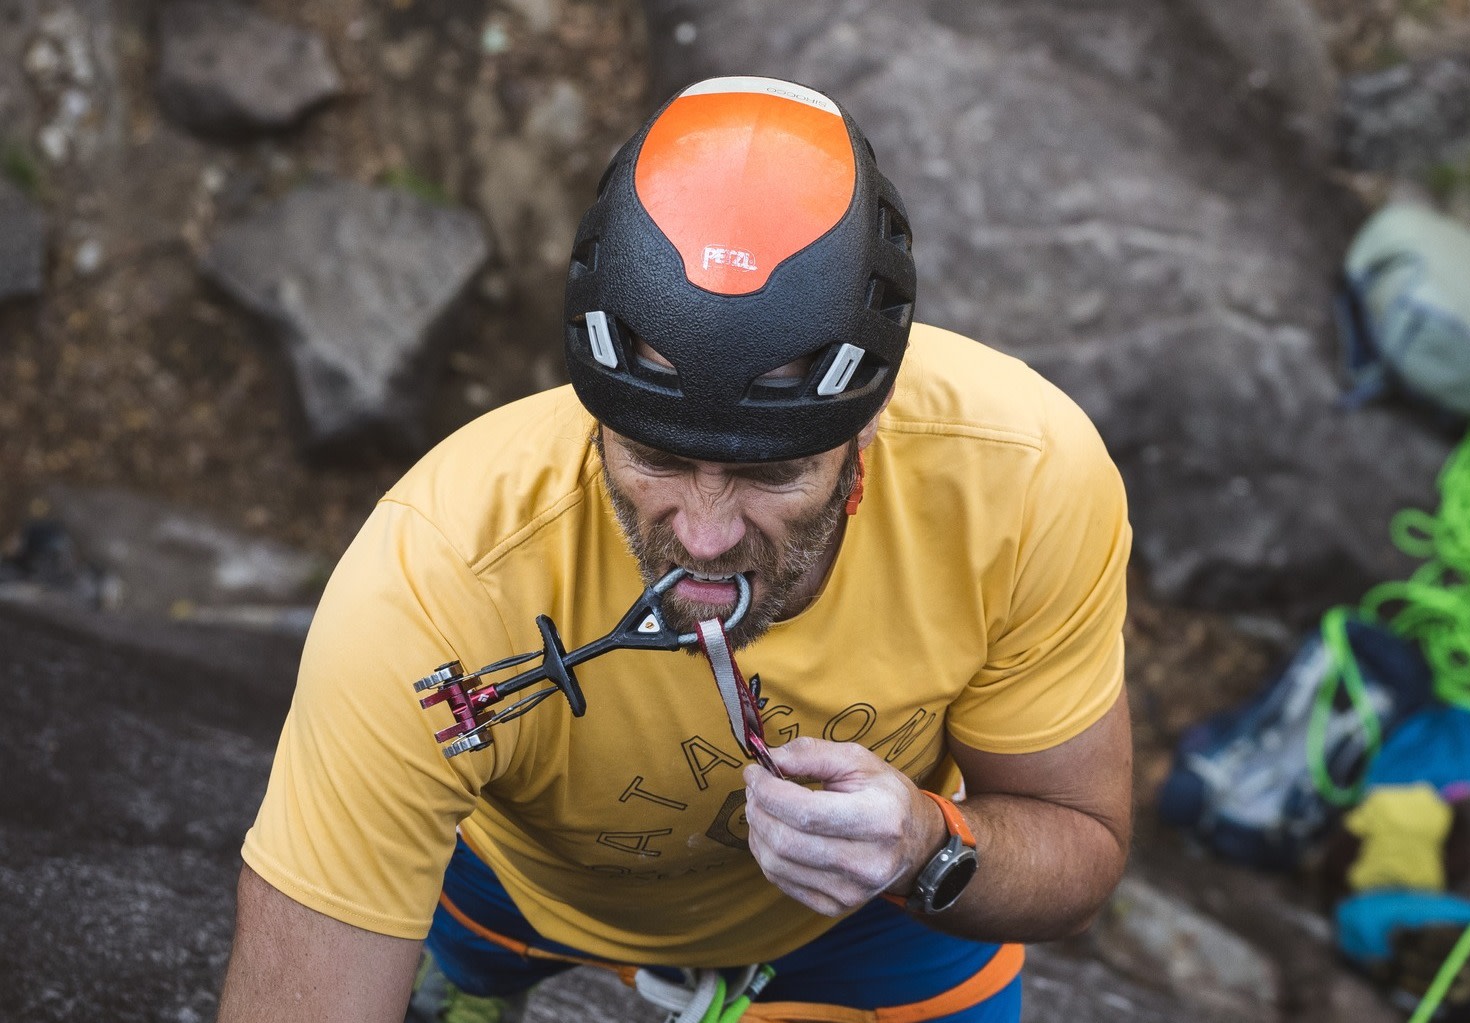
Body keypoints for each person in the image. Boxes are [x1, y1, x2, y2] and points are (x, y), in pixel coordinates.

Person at [216, 75, 1132, 1023]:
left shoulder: (1019, 482)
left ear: (868, 429)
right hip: (505, 880)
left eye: (773, 474)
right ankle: (470, 971)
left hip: (858, 914)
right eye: (653, 457)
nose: (703, 535)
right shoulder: (436, 578)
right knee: (456, 929)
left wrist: (924, 848)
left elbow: (1081, 844)